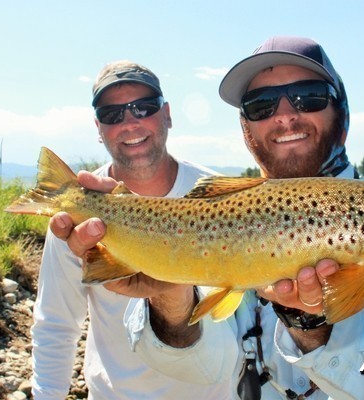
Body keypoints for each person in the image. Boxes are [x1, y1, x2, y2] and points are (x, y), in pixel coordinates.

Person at [52, 37, 364, 399]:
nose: (286, 115)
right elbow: (203, 375)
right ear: (245, 130)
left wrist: (315, 327)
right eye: (261, 105)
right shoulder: (227, 215)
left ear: (342, 111)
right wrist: (170, 301)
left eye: (308, 96)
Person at [31, 60, 230, 399]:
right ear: (98, 127)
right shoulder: (79, 211)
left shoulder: (220, 194)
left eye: (144, 108)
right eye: (113, 114)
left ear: (166, 114)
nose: (130, 122)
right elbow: (56, 324)